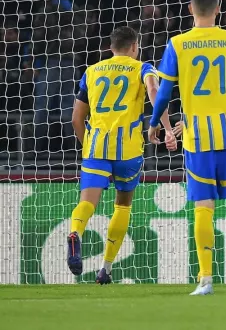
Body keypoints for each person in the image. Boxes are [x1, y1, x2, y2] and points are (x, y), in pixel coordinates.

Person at [147, 0, 226, 295]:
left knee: (203, 208)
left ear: (190, 9)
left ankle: (205, 280)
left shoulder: (177, 44)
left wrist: (154, 125)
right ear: (219, 9)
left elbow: (163, 93)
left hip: (198, 139)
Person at [67, 27, 178, 283]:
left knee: (87, 203)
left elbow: (76, 118)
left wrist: (88, 147)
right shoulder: (142, 68)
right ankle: (105, 268)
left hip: (96, 147)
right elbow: (154, 92)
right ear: (134, 47)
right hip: (127, 149)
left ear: (110, 47)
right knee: (123, 204)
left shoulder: (92, 71)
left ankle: (75, 232)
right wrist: (165, 126)